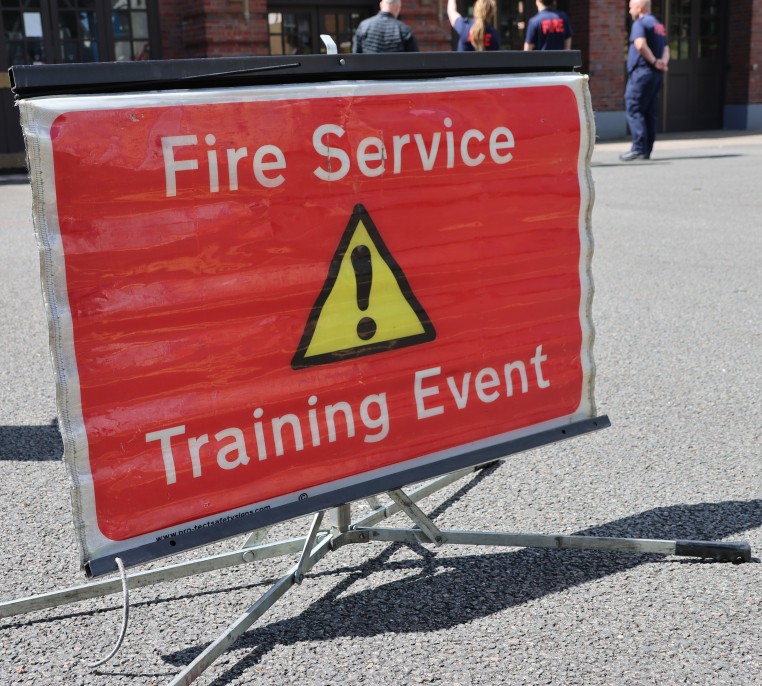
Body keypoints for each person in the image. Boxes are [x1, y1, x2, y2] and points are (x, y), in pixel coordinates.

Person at [620, 0, 669, 161]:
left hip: (643, 72)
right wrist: (662, 63)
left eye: (631, 7)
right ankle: (647, 149)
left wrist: (654, 61)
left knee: (634, 108)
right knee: (649, 112)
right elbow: (666, 48)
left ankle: (638, 148)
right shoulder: (658, 25)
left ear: (640, 7)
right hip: (656, 74)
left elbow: (640, 45)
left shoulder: (640, 23)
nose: (629, 11)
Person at [352, 0, 419, 53]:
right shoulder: (404, 30)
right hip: (395, 69)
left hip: (369, 69)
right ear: (398, 7)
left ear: (381, 5)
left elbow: (356, 55)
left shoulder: (364, 26)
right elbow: (414, 60)